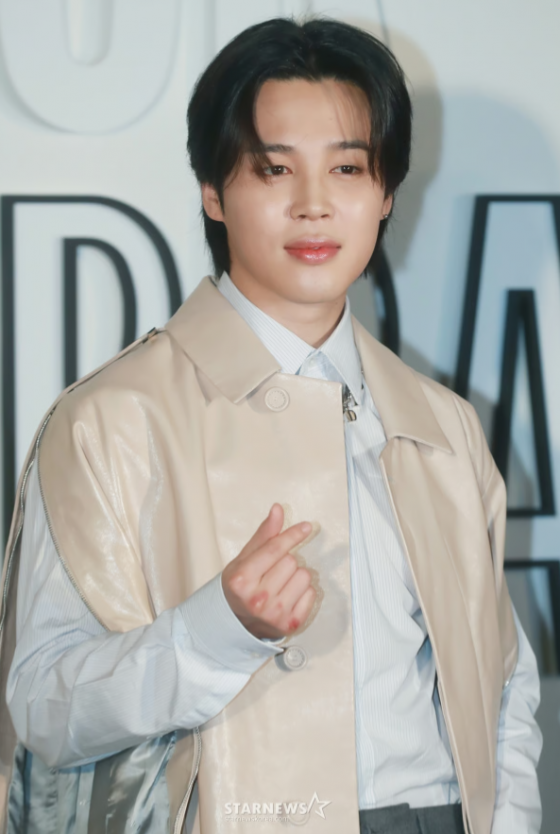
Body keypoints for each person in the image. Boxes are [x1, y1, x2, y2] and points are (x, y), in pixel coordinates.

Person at [0, 16, 542, 834]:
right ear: (213, 192)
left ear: (387, 192)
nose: (314, 205)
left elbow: (502, 685)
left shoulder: (442, 425)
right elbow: (43, 707)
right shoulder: (110, 421)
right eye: (274, 168)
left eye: (348, 167)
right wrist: (217, 630)